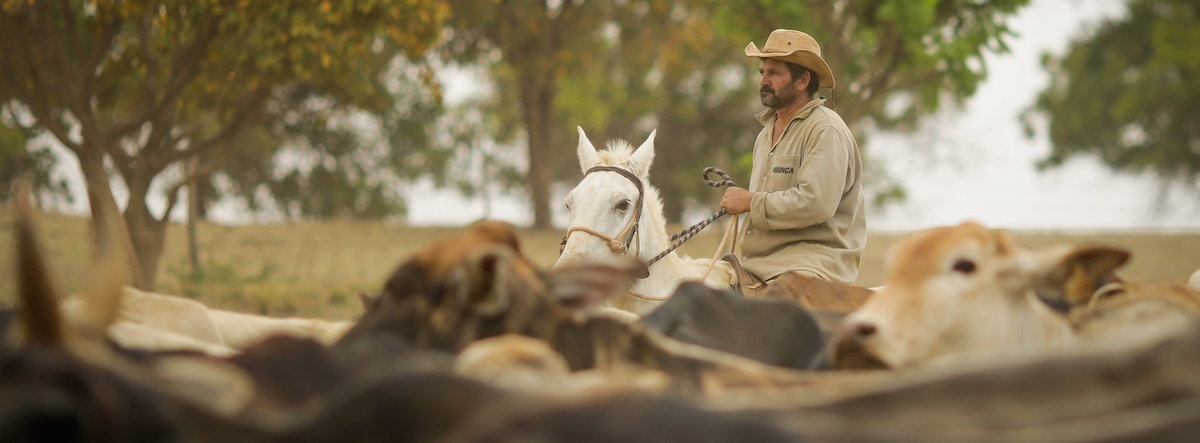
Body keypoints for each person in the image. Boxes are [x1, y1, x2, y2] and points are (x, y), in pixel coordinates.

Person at [719, 28, 867, 292]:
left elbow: (816, 204)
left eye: (774, 73)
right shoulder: (765, 134)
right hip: (759, 264)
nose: (764, 80)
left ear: (802, 81)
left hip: (812, 263)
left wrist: (751, 201)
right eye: (762, 72)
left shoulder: (825, 130)